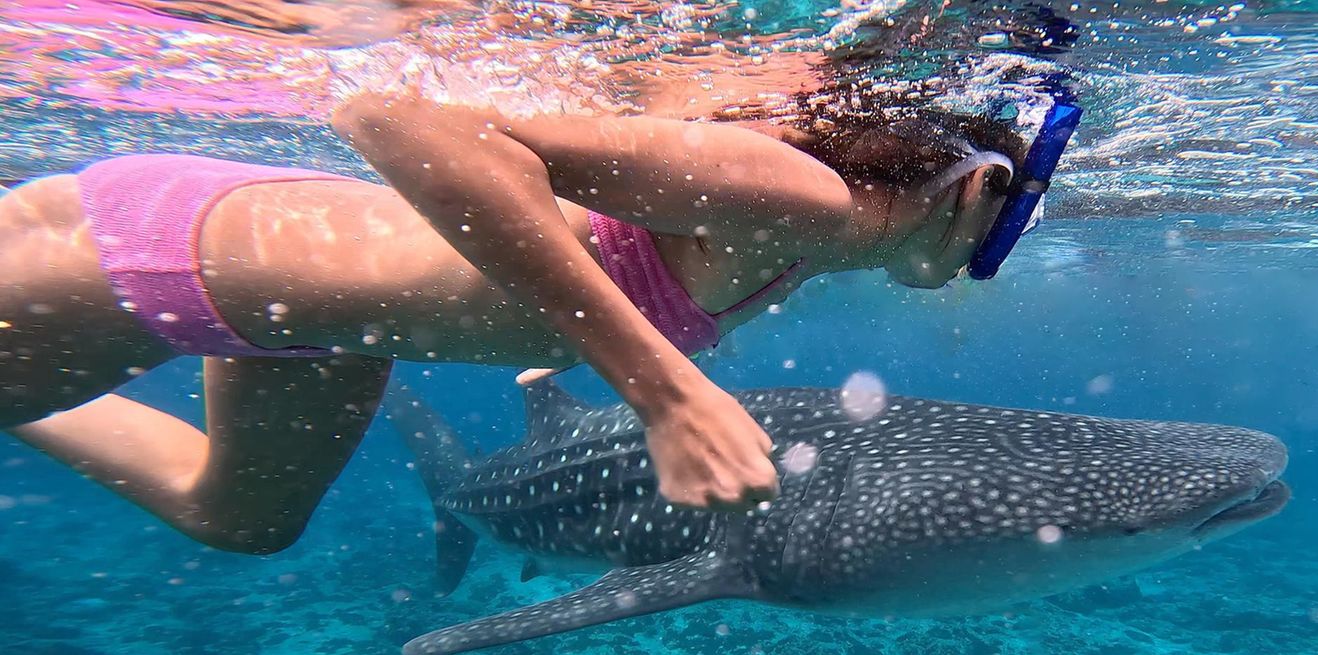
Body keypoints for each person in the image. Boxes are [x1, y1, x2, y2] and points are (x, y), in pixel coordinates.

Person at [0, 51, 1040, 556]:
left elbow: (588, 258)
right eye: (1013, 227)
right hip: (138, 259)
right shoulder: (809, 199)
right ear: (979, 185)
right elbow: (398, 116)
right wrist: (664, 394)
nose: (991, 265)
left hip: (310, 327)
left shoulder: (810, 242)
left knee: (242, 521)